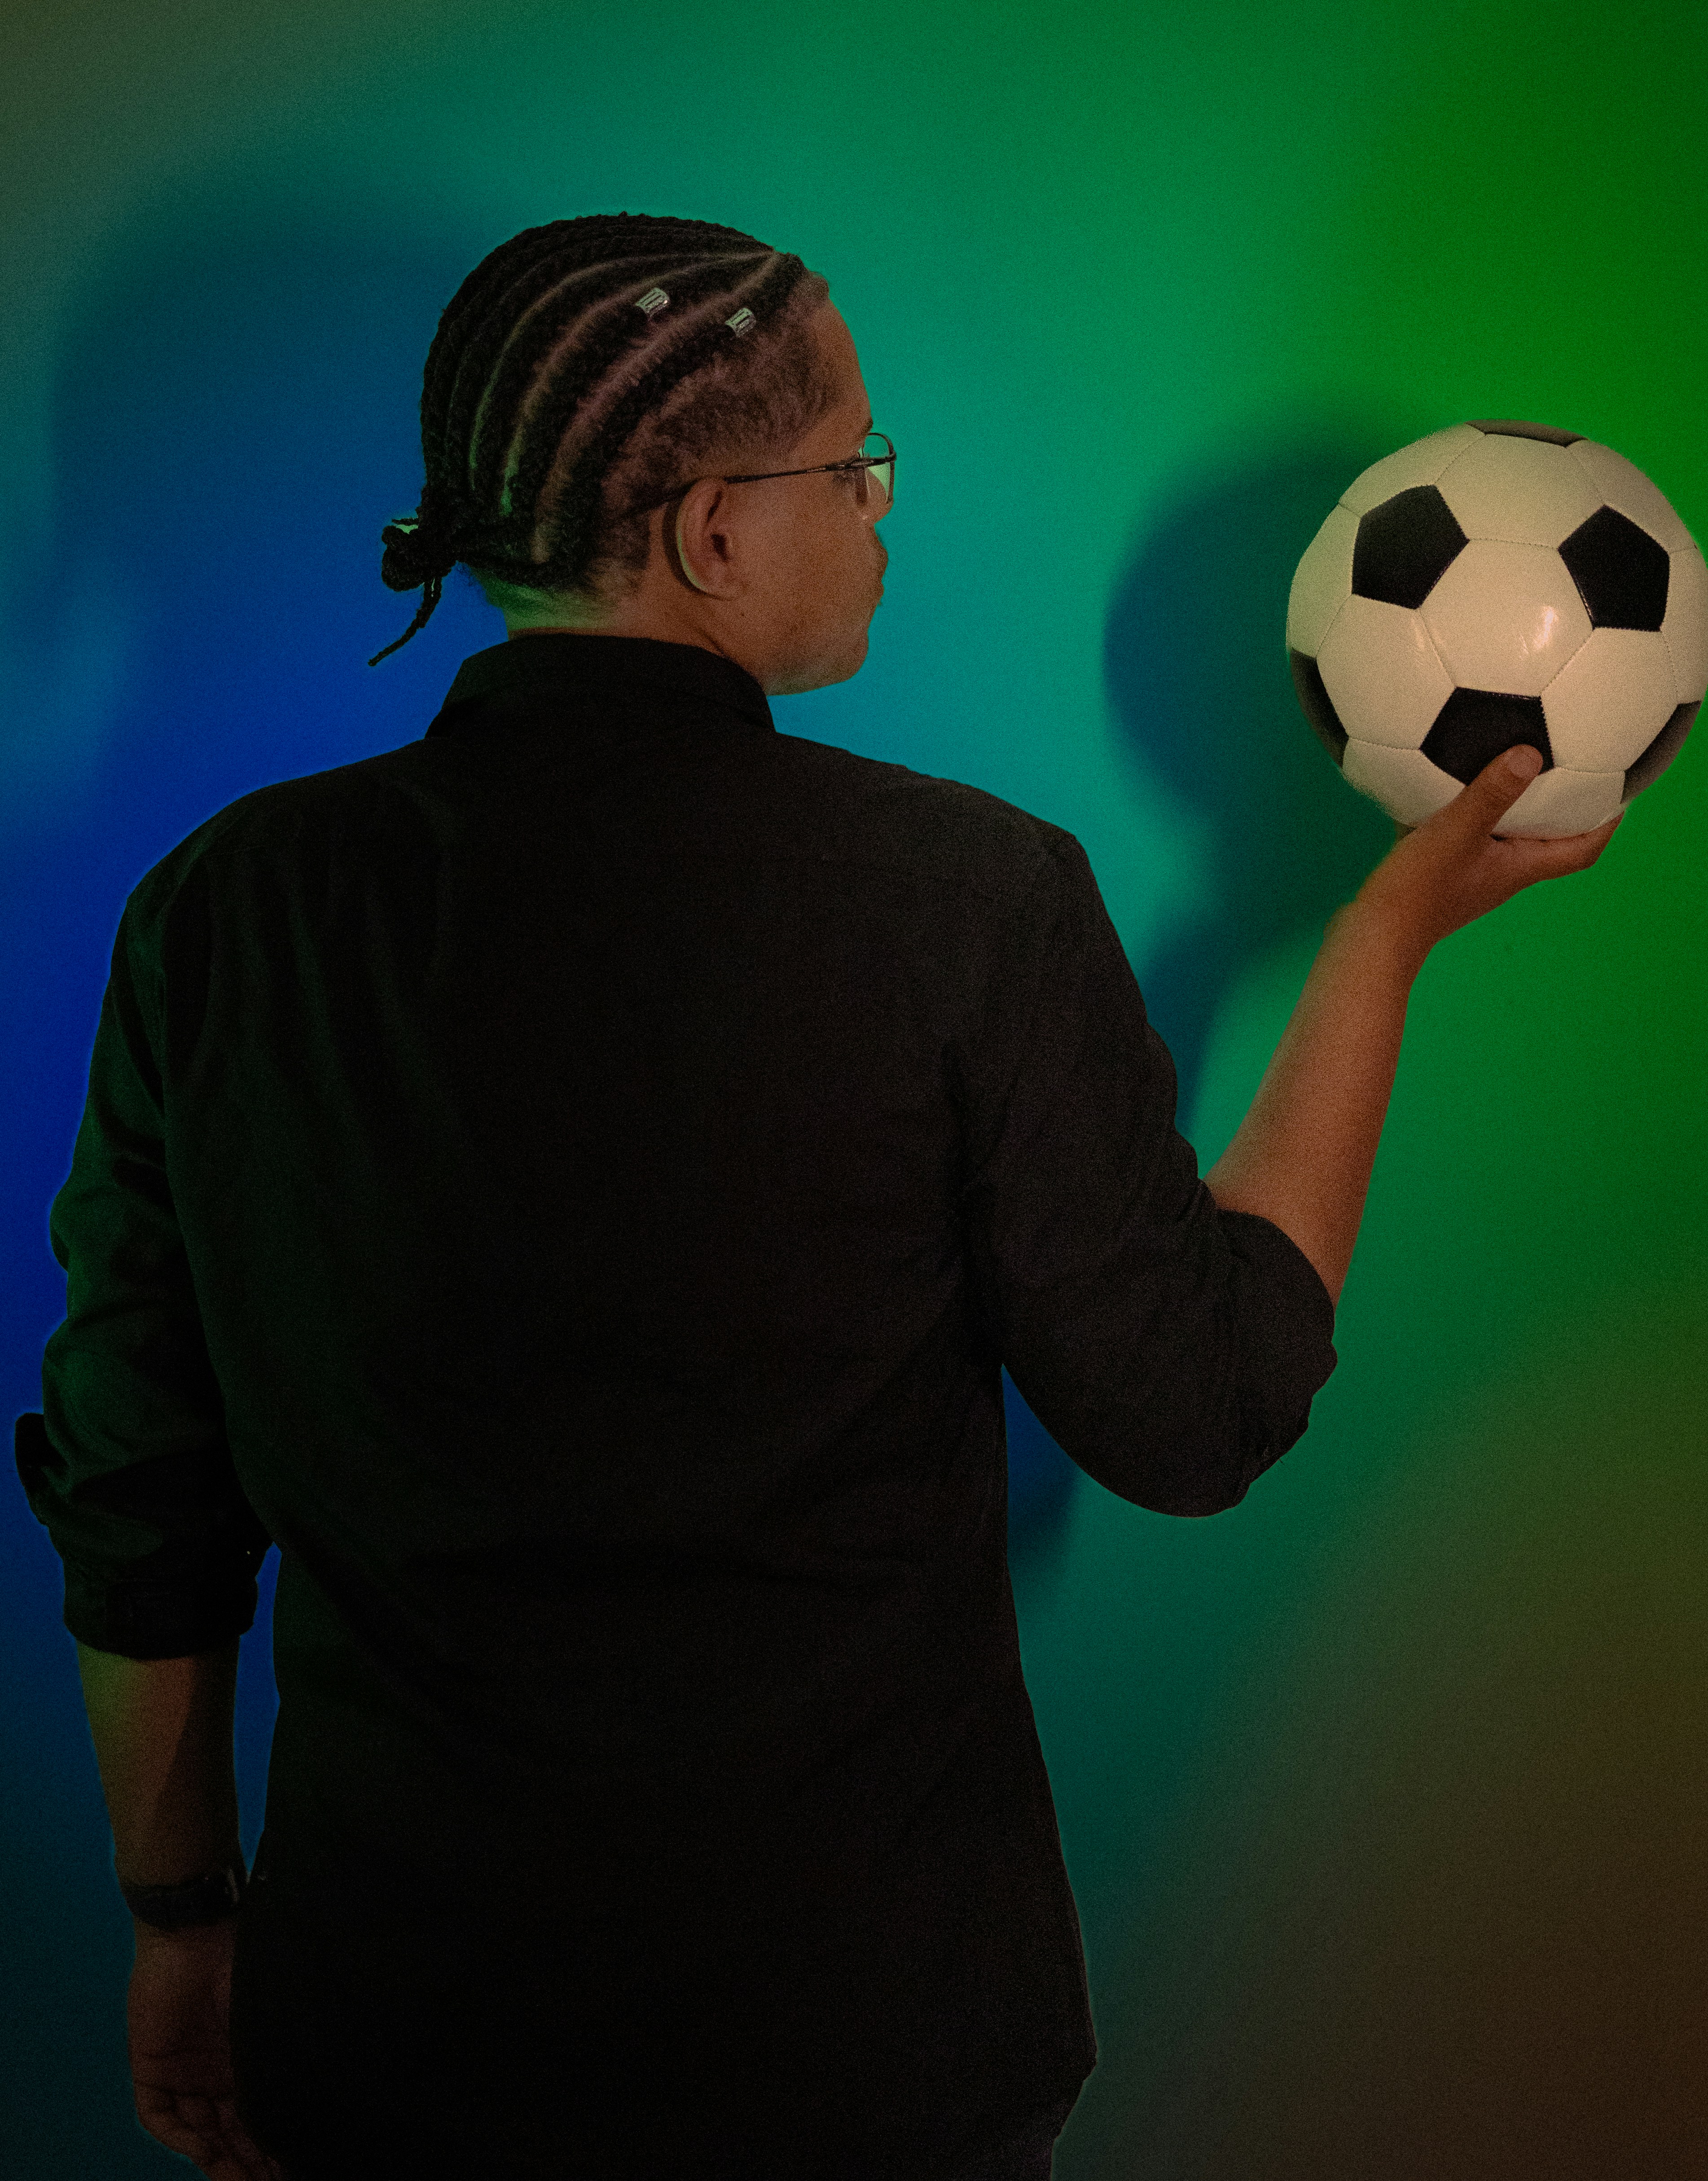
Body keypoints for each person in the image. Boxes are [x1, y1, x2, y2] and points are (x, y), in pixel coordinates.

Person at [14, 213, 1623, 2181]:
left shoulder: (219, 913)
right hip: (866, 2058)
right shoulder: (967, 900)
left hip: (399, 2037)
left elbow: (141, 1500)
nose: (879, 511)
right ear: (711, 535)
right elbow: (1197, 1411)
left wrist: (182, 1922)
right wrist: (1376, 947)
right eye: (856, 467)